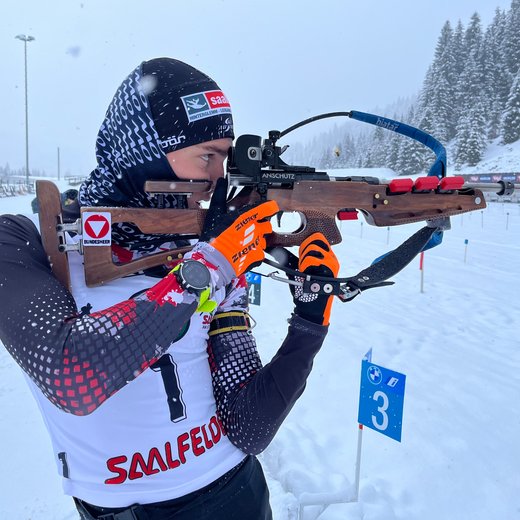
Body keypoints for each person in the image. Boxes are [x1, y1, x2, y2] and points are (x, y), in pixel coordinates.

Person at [0, 57, 340, 520]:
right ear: (147, 151)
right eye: (208, 155)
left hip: (237, 496)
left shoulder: (204, 248)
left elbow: (248, 427)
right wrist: (211, 265)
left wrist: (309, 321)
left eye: (226, 156)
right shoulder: (27, 241)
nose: (221, 176)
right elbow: (70, 375)